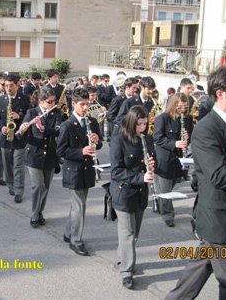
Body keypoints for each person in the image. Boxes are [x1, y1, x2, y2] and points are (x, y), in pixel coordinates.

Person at [166, 66, 226, 300]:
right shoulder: (207, 129)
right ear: (220, 93)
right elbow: (219, 175)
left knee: (193, 279)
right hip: (218, 221)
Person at [110, 105, 155, 289]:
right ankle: (127, 272)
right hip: (124, 192)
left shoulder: (147, 139)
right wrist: (140, 177)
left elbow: (151, 163)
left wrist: (151, 164)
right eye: (139, 124)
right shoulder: (118, 140)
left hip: (140, 193)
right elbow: (116, 171)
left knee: (133, 233)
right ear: (131, 122)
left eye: (145, 124)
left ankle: (121, 259)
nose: (142, 128)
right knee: (127, 233)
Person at [56, 88, 102, 256]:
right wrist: (80, 152)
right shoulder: (67, 125)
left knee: (78, 205)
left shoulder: (92, 122)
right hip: (74, 170)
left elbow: (99, 145)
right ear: (73, 104)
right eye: (82, 104)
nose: (85, 108)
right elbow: (61, 151)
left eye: (87, 104)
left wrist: (96, 141)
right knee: (79, 206)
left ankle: (69, 233)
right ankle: (76, 240)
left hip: (88, 169)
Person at [19, 87, 61, 227]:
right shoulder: (31, 112)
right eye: (50, 102)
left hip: (50, 154)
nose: (53, 104)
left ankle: (40, 212)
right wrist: (24, 129)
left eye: (54, 101)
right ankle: (34, 214)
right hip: (34, 154)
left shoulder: (56, 112)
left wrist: (44, 129)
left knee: (46, 187)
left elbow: (58, 131)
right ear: (41, 101)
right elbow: (21, 134)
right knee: (38, 186)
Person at [153, 93, 192, 227]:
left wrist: (187, 138)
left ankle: (159, 202)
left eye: (184, 107)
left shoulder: (186, 119)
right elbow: (157, 138)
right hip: (164, 158)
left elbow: (189, 138)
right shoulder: (163, 118)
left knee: (171, 184)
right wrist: (174, 143)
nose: (182, 110)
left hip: (178, 159)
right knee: (166, 190)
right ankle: (168, 214)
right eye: (179, 107)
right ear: (173, 105)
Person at [0, 74, 30, 202]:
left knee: (18, 165)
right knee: (7, 164)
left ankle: (19, 190)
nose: (8, 88)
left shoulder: (25, 99)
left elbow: (30, 115)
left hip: (20, 137)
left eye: (11, 85)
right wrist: (1, 127)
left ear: (17, 84)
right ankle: (10, 184)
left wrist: (20, 116)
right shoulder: (0, 99)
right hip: (5, 138)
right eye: (6, 86)